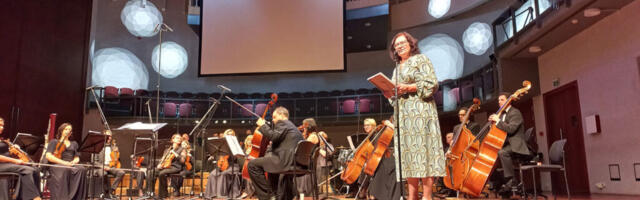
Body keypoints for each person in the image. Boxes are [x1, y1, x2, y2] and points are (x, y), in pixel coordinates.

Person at [388, 31, 446, 200]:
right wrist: (390, 94)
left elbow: (431, 84)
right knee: (408, 155)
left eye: (402, 43)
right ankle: (412, 196)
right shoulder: (396, 69)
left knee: (423, 152)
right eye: (396, 45)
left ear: (410, 43)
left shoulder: (421, 59)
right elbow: (394, 94)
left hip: (421, 111)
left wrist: (407, 88)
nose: (399, 46)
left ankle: (427, 196)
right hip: (404, 116)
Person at [249, 107, 304, 200]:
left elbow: (273, 137)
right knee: (270, 165)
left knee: (252, 165)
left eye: (274, 117)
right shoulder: (292, 127)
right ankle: (275, 196)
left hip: (285, 161)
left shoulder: (283, 123)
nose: (273, 120)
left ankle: (268, 196)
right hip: (295, 162)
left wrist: (262, 125)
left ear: (282, 115)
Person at [489, 92, 531, 191]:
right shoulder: (502, 114)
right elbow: (501, 131)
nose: (499, 102)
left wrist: (498, 121)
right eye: (498, 100)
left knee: (502, 152)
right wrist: (492, 125)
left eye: (502, 99)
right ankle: (497, 182)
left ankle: (511, 180)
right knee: (492, 155)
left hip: (516, 144)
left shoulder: (515, 112)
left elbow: (511, 129)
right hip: (506, 144)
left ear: (509, 101)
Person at [0, 117, 42, 200]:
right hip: (1, 165)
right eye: (0, 125)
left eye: (3, 125)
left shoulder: (2, 140)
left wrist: (14, 148)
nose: (2, 127)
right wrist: (15, 161)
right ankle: (35, 198)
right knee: (26, 170)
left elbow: (6, 153)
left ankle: (35, 194)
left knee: (35, 169)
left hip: (7, 164)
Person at [45, 123, 88, 200]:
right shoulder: (54, 142)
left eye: (70, 130)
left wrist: (73, 162)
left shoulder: (74, 143)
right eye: (66, 129)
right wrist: (64, 163)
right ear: (61, 130)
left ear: (71, 133)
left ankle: (77, 197)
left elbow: (77, 157)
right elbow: (48, 156)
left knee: (82, 169)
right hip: (57, 164)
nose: (68, 131)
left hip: (70, 164)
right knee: (65, 169)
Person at [368, 120, 402, 200]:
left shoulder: (399, 126)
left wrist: (390, 125)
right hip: (390, 156)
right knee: (380, 164)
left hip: (398, 156)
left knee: (387, 164)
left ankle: (381, 194)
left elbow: (402, 135)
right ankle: (376, 193)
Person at [205, 129, 242, 199]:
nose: (230, 136)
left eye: (231, 134)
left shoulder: (236, 144)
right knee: (212, 174)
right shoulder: (221, 145)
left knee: (223, 174)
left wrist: (233, 152)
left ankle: (222, 195)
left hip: (233, 165)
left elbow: (237, 158)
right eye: (228, 134)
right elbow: (218, 157)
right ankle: (212, 194)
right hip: (223, 165)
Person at [146, 133, 187, 198]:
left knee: (162, 173)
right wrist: (159, 164)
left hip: (175, 167)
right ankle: (150, 192)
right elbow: (163, 159)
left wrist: (175, 153)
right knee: (150, 172)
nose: (179, 139)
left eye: (180, 138)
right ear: (172, 140)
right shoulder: (167, 149)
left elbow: (182, 160)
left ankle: (163, 194)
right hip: (166, 166)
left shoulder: (182, 149)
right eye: (177, 138)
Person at [92, 129, 125, 199]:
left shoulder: (114, 147)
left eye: (110, 136)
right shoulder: (97, 146)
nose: (109, 138)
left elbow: (117, 161)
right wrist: (102, 167)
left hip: (111, 166)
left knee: (121, 172)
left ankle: (111, 190)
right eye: (108, 136)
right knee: (104, 174)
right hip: (100, 167)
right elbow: (94, 161)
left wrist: (116, 155)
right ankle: (106, 193)